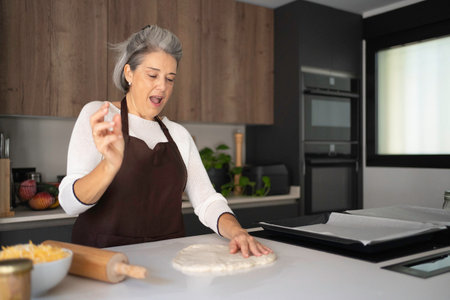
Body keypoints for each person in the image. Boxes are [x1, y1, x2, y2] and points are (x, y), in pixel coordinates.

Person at [59, 25, 272, 258]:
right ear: (129, 73)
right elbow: (70, 204)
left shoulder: (178, 134)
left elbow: (207, 201)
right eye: (152, 75)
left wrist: (237, 231)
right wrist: (109, 166)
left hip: (166, 263)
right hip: (103, 263)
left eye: (170, 79)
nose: (162, 86)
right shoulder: (100, 115)